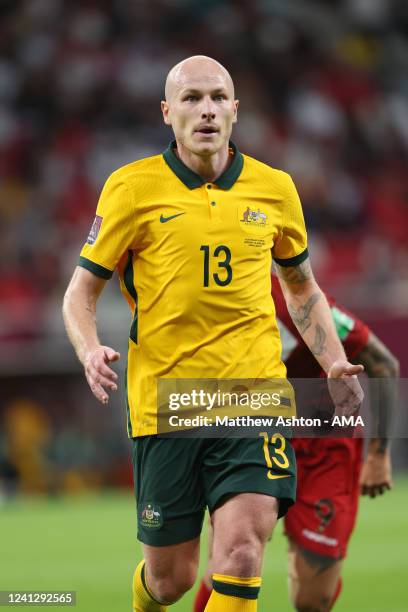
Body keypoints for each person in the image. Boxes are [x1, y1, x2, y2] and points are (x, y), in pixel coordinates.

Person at [62, 55, 364, 612]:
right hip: (166, 403)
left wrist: (333, 361)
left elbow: (301, 289)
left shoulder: (275, 188)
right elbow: (80, 293)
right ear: (166, 112)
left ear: (235, 110)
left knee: (243, 553)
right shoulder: (130, 189)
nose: (206, 110)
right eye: (192, 98)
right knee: (171, 579)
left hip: (254, 396)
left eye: (218, 97)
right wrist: (88, 348)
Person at [194, 276, 398, 612]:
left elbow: (383, 363)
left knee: (311, 600)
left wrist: (379, 455)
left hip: (324, 448)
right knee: (230, 559)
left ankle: (308, 562)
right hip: (257, 439)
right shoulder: (208, 303)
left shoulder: (299, 301)